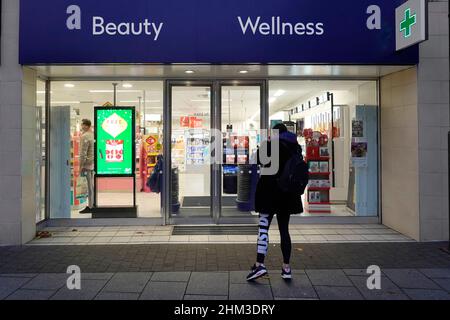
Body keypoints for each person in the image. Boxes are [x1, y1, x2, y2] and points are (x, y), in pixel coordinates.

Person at [247, 123, 304, 281]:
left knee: (263, 228)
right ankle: (286, 268)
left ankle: (260, 265)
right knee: (284, 230)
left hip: (268, 194)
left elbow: (256, 160)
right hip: (286, 195)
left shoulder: (269, 145)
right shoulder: (295, 147)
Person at [79, 119, 95, 214]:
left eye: (83, 125)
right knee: (90, 185)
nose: (82, 127)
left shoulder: (84, 136)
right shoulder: (93, 135)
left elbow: (83, 153)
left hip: (86, 165)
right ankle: (91, 204)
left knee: (88, 186)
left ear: (86, 126)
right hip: (92, 164)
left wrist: (81, 166)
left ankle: (90, 206)